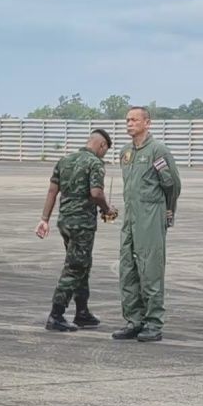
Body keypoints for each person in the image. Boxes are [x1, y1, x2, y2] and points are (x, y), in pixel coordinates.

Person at [35, 129, 118, 331]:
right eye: (105, 150)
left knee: (82, 264)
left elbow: (52, 191)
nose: (104, 154)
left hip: (65, 221)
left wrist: (44, 219)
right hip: (82, 224)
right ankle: (56, 314)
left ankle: (82, 312)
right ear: (102, 146)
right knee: (75, 267)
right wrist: (107, 209)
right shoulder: (95, 163)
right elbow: (96, 193)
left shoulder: (65, 160)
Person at [113, 106, 181, 342]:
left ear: (147, 123)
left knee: (150, 270)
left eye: (134, 120)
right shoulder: (125, 152)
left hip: (151, 216)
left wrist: (167, 211)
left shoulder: (157, 150)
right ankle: (134, 320)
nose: (129, 124)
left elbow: (172, 185)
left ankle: (153, 322)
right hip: (130, 219)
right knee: (128, 270)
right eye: (127, 120)